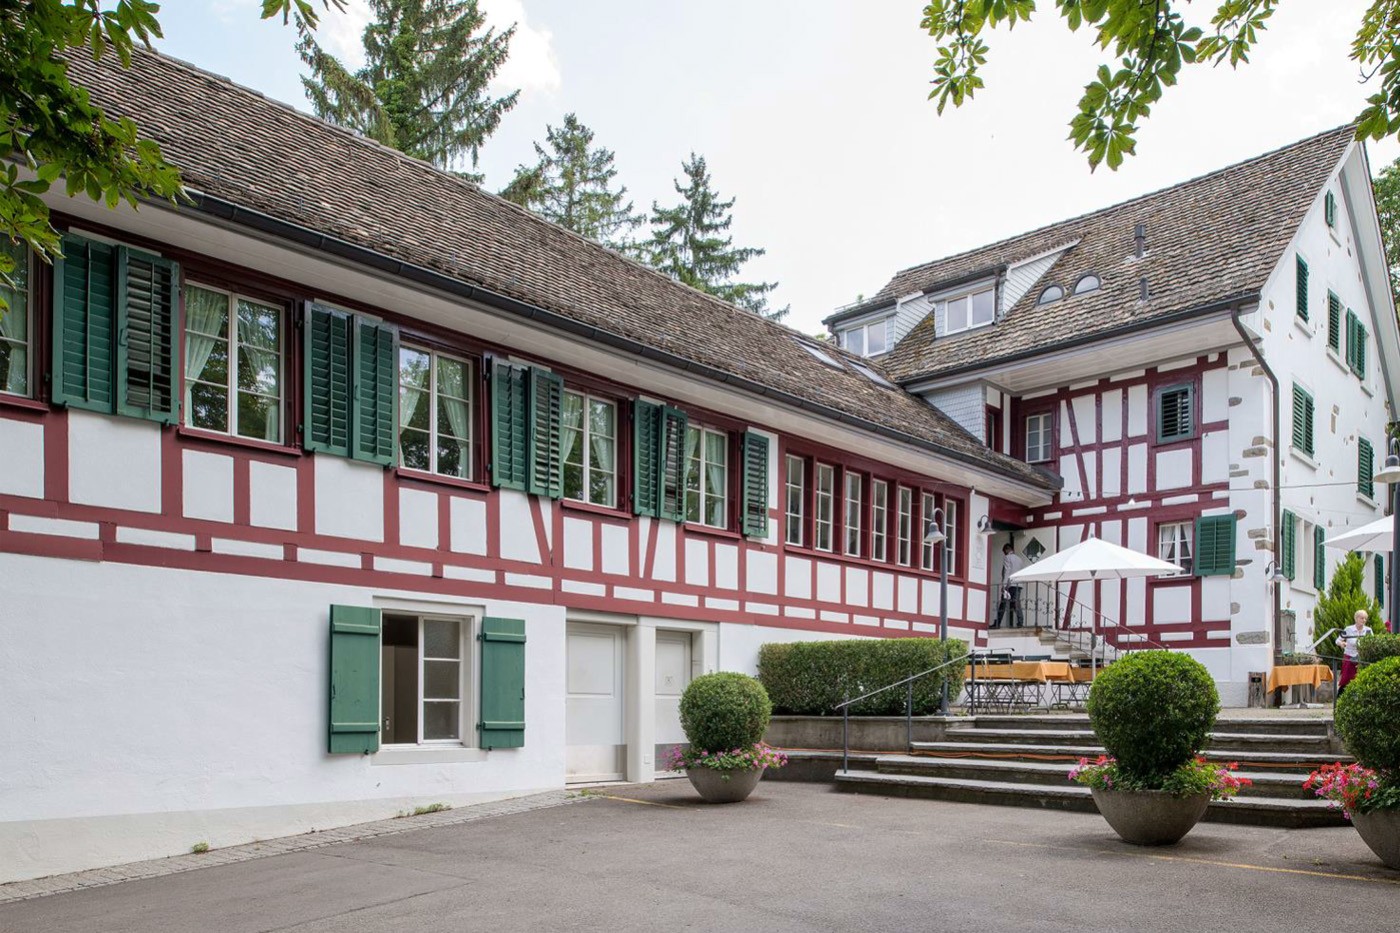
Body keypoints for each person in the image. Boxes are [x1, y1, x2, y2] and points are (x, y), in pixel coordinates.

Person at [993, 543, 1027, 628]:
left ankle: (997, 623)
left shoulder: (1007, 557)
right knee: (1016, 603)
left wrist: (1004, 585)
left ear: (1007, 550)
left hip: (1010, 584)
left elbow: (1007, 571)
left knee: (1003, 604)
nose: (1004, 553)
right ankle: (1020, 622)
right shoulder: (1020, 559)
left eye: (1004, 551)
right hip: (1018, 584)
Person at [1339, 609, 1370, 694]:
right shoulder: (1349, 629)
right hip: (1349, 657)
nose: (1364, 620)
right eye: (1362, 618)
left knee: (1360, 679)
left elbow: (1372, 642)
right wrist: (1342, 643)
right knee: (1346, 679)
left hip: (1361, 658)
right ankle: (1340, 699)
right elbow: (1338, 640)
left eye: (1365, 618)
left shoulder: (1368, 630)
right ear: (1356, 619)